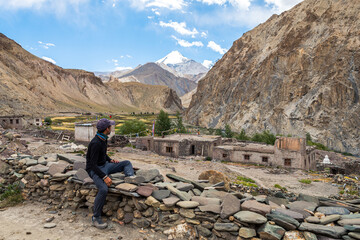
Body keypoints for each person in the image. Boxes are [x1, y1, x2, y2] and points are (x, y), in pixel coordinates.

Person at [86, 118, 137, 229]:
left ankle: (131, 179)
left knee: (126, 163)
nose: (111, 128)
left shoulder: (103, 139)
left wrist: (109, 160)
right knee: (103, 189)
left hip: (105, 165)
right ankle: (96, 217)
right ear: (106, 129)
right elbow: (93, 164)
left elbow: (102, 154)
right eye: (110, 127)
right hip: (95, 169)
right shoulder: (95, 143)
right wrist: (104, 177)